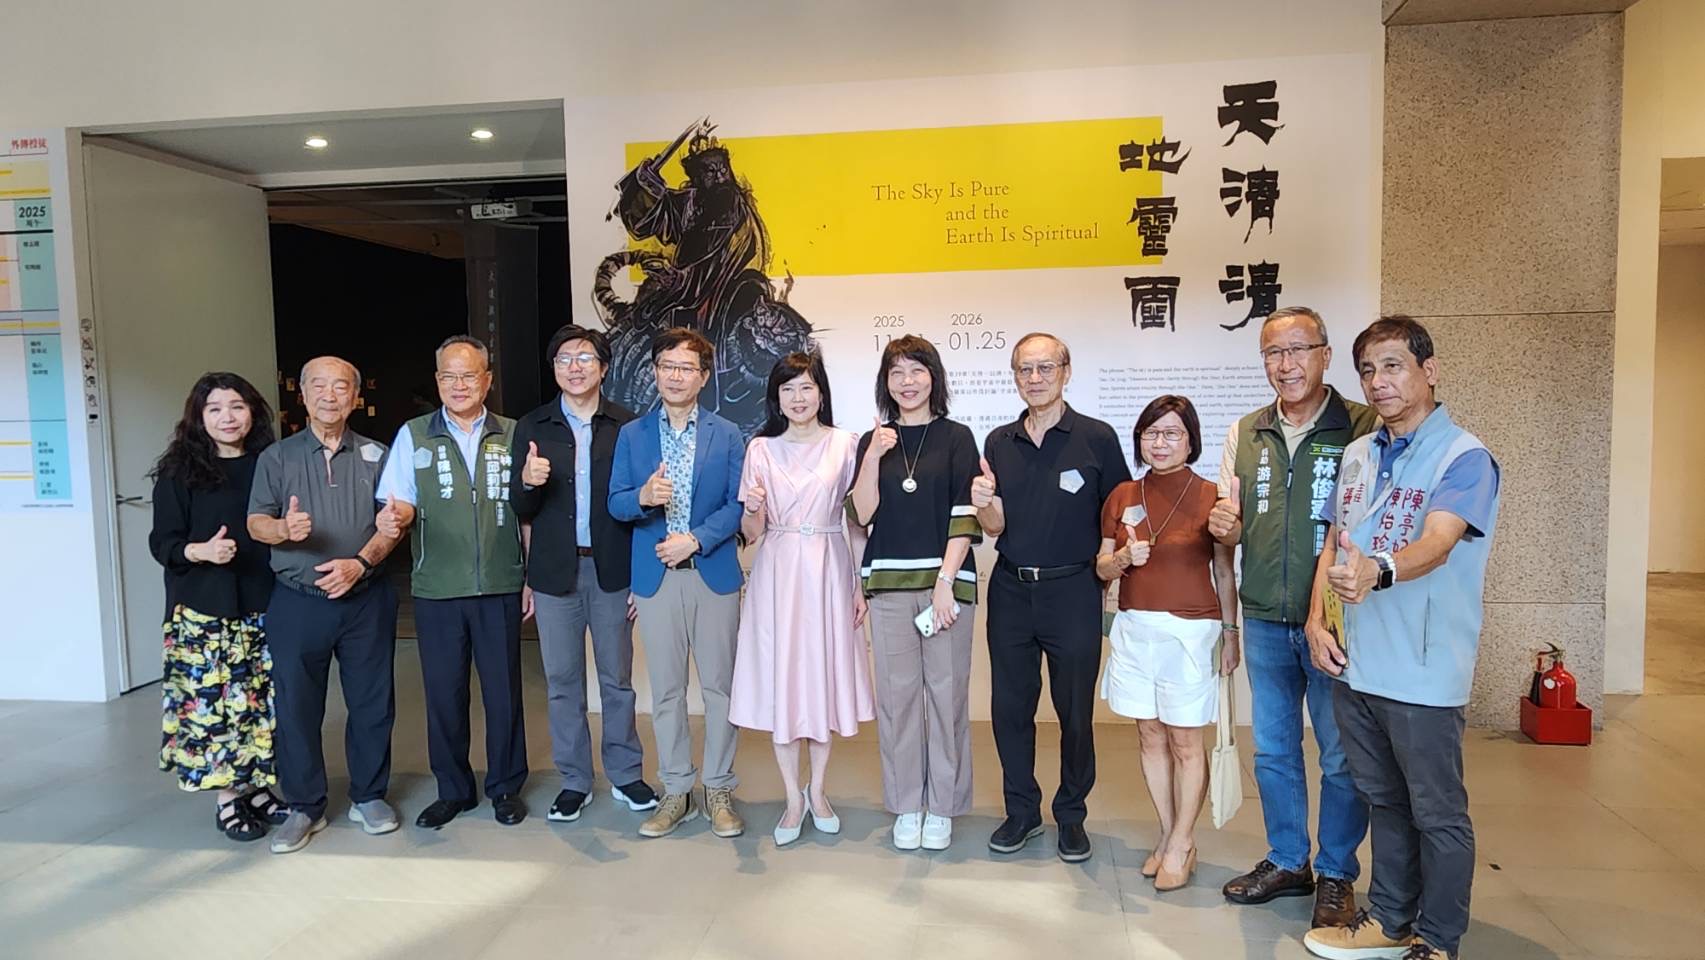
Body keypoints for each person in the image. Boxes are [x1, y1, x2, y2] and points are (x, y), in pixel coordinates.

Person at [1301, 316, 1500, 960]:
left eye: (1393, 366)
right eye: (1367, 370)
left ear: (1428, 371)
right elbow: (1334, 544)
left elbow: (1438, 542)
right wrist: (1316, 620)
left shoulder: (1463, 457)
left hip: (1423, 668)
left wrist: (1379, 570)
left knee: (1436, 812)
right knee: (1383, 800)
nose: (1378, 382)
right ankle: (1389, 918)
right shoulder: (1359, 454)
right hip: (1358, 664)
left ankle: (1437, 938)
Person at [1212, 306, 1379, 927]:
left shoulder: (1361, 427)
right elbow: (1231, 524)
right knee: (1275, 750)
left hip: (1336, 622)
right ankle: (1288, 860)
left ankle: (1336, 873)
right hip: (1263, 615)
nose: (1285, 365)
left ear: (1325, 355)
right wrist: (1223, 526)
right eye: (1273, 353)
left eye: (1298, 350)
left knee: (1340, 755)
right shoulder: (1246, 432)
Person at [976, 332, 1131, 863]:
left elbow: (1118, 517)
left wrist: (1112, 578)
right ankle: (1021, 811)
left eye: (1045, 367)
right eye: (1025, 369)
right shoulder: (999, 441)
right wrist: (983, 503)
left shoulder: (1096, 438)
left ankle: (1071, 815)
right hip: (1011, 589)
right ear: (1014, 377)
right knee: (1010, 708)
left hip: (1074, 590)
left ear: (1066, 371)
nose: (1035, 378)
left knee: (1075, 712)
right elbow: (994, 526)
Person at [247, 356, 406, 855]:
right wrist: (282, 529)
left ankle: (369, 796)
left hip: (365, 597)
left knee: (372, 702)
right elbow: (255, 522)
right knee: (296, 705)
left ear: (356, 397)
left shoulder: (379, 455)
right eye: (318, 385)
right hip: (298, 600)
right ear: (303, 394)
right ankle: (304, 805)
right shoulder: (277, 457)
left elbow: (392, 523)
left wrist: (360, 563)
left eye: (341, 387)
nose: (329, 395)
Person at [375, 336, 528, 830]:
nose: (459, 385)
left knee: (503, 694)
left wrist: (528, 576)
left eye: (469, 375)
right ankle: (453, 790)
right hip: (438, 587)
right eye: (449, 376)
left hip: (500, 584)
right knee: (444, 695)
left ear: (487, 379)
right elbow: (398, 500)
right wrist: (395, 517)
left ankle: (505, 787)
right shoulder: (414, 434)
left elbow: (529, 511)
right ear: (437, 380)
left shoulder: (513, 433)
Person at [511, 325, 656, 823]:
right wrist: (527, 482)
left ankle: (626, 774)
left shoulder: (627, 425)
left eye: (585, 358)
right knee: (562, 681)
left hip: (612, 569)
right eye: (564, 359)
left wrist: (642, 575)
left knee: (617, 679)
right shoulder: (533, 426)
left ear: (604, 367)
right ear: (554, 368)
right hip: (555, 571)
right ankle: (574, 780)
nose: (574, 367)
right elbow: (520, 507)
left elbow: (643, 505)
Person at [729, 352, 874, 846]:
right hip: (779, 569)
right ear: (776, 397)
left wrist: (859, 584)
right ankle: (793, 796)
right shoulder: (761, 450)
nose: (798, 398)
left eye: (806, 387)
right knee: (785, 680)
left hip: (830, 567)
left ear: (821, 393)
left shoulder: (846, 445)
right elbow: (752, 531)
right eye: (788, 389)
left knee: (822, 679)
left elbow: (858, 522)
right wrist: (752, 509)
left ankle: (819, 790)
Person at [1096, 395, 1240, 891]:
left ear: (1191, 440)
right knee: (1149, 735)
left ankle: (1183, 841)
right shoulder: (1122, 494)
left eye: (1172, 433)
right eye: (1151, 433)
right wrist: (1122, 560)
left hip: (1191, 633)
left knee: (1185, 740)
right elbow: (1101, 566)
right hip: (1135, 629)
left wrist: (1230, 633)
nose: (1160, 443)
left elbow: (1225, 571)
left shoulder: (1211, 496)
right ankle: (1166, 833)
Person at [609, 328, 747, 839]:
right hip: (656, 579)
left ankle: (718, 788)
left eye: (686, 367)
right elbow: (616, 502)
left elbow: (738, 504)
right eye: (666, 366)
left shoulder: (726, 434)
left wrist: (696, 539)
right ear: (654, 372)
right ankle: (676, 789)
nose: (675, 376)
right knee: (666, 691)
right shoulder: (633, 435)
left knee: (719, 689)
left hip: (712, 574)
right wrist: (643, 497)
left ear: (703, 377)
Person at [848, 335, 982, 852]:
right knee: (897, 701)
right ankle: (907, 805)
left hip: (946, 589)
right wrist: (871, 457)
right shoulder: (873, 440)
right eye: (897, 372)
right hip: (888, 588)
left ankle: (942, 807)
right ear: (885, 382)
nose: (907, 382)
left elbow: (965, 514)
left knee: (947, 700)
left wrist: (945, 582)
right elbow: (862, 513)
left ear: (934, 378)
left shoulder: (956, 437)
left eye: (917, 370)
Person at [149, 372, 283, 841]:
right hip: (204, 614)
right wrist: (200, 551)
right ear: (199, 417)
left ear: (253, 413)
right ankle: (227, 799)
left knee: (260, 705)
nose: (227, 417)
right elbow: (162, 543)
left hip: (262, 605)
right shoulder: (179, 472)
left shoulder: (270, 464)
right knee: (216, 711)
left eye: (237, 407)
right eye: (215, 409)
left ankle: (258, 788)